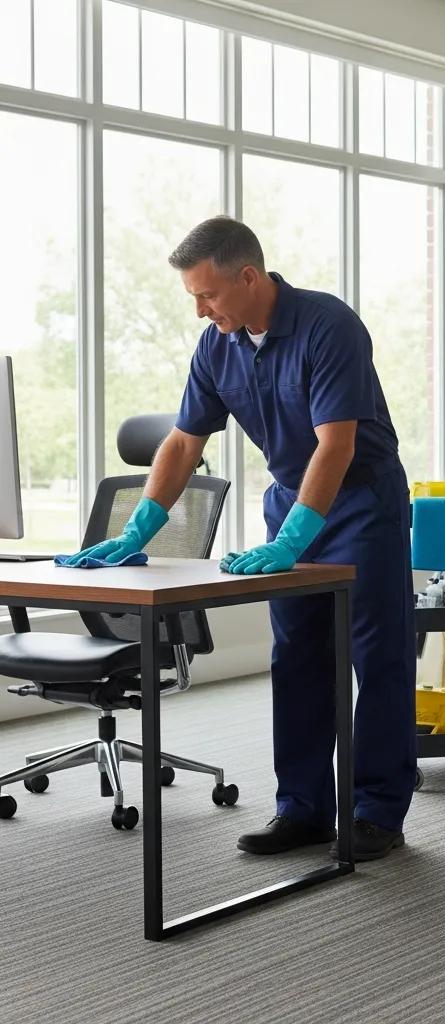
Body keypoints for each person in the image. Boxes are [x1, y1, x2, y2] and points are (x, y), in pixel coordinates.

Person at [67, 215, 416, 861]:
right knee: (298, 656)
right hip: (291, 500)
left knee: (379, 657)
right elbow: (183, 441)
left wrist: (292, 541)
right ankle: (304, 810)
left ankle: (376, 812)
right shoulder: (216, 345)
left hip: (361, 500)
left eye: (209, 295)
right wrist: (140, 526)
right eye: (194, 298)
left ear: (248, 276)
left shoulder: (327, 324)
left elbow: (335, 445)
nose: (201, 310)